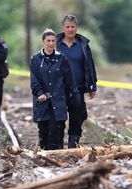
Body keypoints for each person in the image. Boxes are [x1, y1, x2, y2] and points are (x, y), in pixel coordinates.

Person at [30, 29, 79, 150]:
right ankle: (45, 155)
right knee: (43, 130)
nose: (51, 43)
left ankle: (57, 155)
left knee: (57, 129)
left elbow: (69, 79)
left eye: (53, 41)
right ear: (43, 42)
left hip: (58, 100)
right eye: (48, 41)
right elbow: (34, 80)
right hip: (42, 101)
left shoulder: (62, 59)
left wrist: (74, 95)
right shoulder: (36, 59)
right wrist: (39, 93)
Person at [56, 15, 98, 148]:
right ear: (63, 28)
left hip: (78, 88)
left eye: (72, 27)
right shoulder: (55, 44)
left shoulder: (83, 44)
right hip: (60, 89)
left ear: (76, 28)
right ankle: (57, 146)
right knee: (59, 119)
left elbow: (90, 65)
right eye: (67, 27)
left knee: (77, 117)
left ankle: (73, 145)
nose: (70, 29)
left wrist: (92, 85)